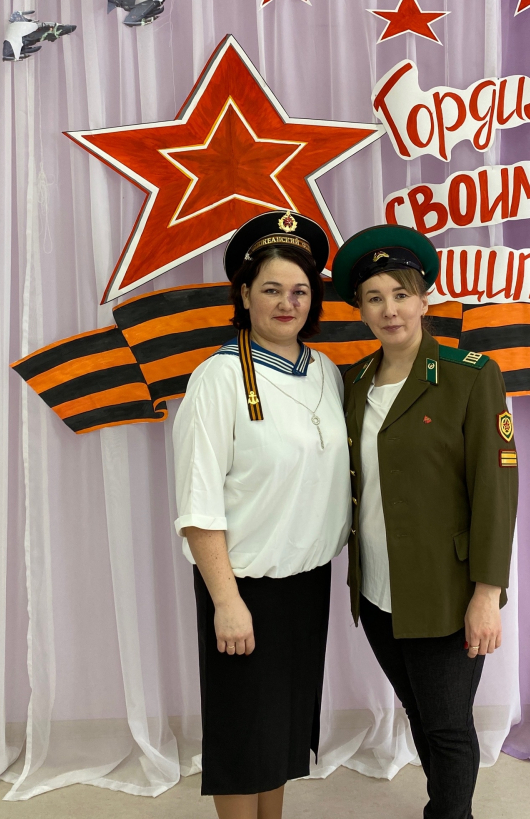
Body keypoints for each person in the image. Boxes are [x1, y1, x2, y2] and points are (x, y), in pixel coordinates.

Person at [331, 224, 518, 819]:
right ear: (361, 309)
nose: (390, 310)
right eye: (375, 298)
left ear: (424, 299)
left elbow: (496, 491)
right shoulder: (354, 382)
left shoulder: (469, 374)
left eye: (401, 294)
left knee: (448, 725)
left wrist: (486, 594)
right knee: (422, 713)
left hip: (446, 589)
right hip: (379, 590)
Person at [172, 210, 351, 819]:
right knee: (241, 733)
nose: (286, 303)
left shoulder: (325, 371)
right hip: (243, 583)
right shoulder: (217, 378)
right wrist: (226, 601)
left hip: (308, 582)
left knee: (283, 728)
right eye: (271, 289)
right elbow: (198, 504)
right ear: (244, 293)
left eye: (299, 290)